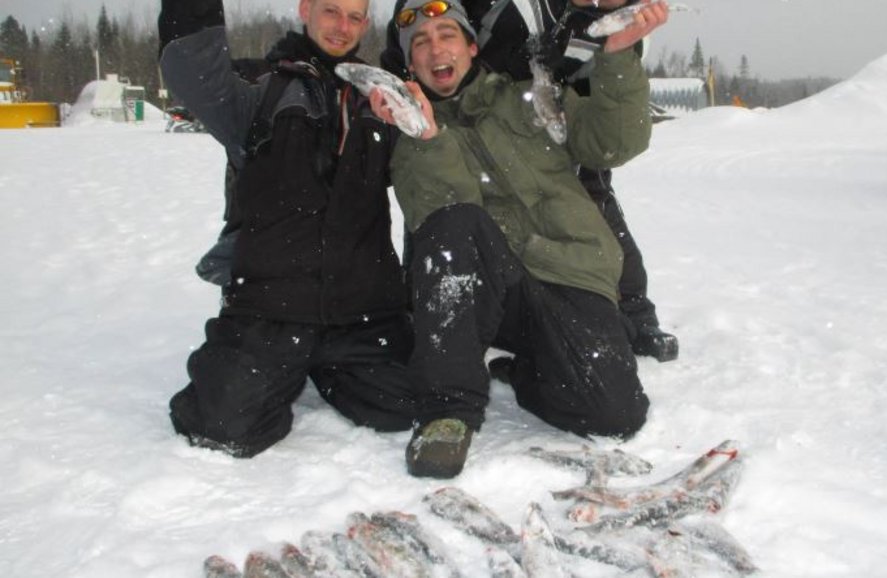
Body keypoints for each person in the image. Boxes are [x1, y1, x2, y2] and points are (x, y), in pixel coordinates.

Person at [373, 0, 669, 478]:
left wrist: (617, 58)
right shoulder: (412, 140)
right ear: (410, 63)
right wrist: (428, 137)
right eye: (421, 43)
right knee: (454, 225)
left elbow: (613, 144)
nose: (436, 50)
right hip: (498, 292)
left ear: (472, 47)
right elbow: (447, 215)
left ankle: (528, 371)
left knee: (617, 416)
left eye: (447, 35)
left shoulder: (531, 96)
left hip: (570, 273)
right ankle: (448, 410)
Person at [157, 0, 416, 458]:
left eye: (355, 17)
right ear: (305, 9)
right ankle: (279, 363)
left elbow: (436, 139)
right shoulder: (260, 89)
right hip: (271, 308)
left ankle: (327, 366)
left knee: (409, 406)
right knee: (223, 426)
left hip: (360, 312)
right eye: (331, 11)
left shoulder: (377, 99)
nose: (342, 27)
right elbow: (195, 72)